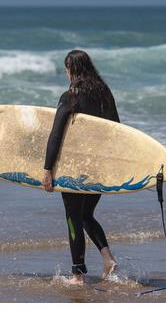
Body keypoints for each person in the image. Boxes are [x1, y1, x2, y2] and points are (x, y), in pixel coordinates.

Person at [42, 49, 119, 285]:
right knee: (86, 215)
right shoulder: (105, 94)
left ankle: (78, 275)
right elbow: (117, 129)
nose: (66, 73)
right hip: (99, 166)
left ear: (71, 70)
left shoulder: (70, 96)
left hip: (75, 168)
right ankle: (107, 259)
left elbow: (56, 135)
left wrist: (47, 169)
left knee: (74, 217)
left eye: (67, 69)